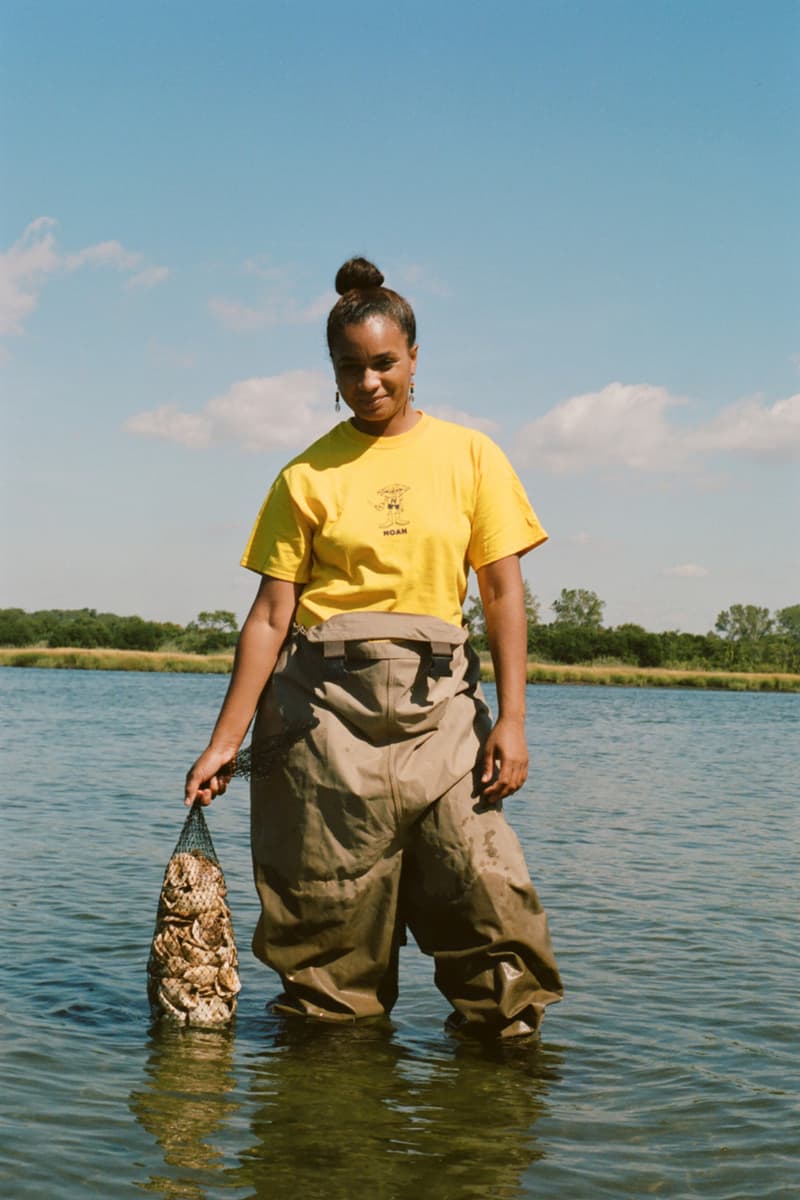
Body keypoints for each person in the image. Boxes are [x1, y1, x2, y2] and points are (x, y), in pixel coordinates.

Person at [185, 257, 563, 1039]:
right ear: (332, 371)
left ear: (415, 359)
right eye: (351, 368)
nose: (370, 382)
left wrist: (515, 719)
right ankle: (332, 1133)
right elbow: (270, 615)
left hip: (443, 722)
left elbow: (500, 592)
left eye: (385, 363)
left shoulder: (473, 456)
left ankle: (489, 1129)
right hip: (320, 726)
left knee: (489, 914)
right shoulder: (304, 476)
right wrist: (225, 743)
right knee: (329, 960)